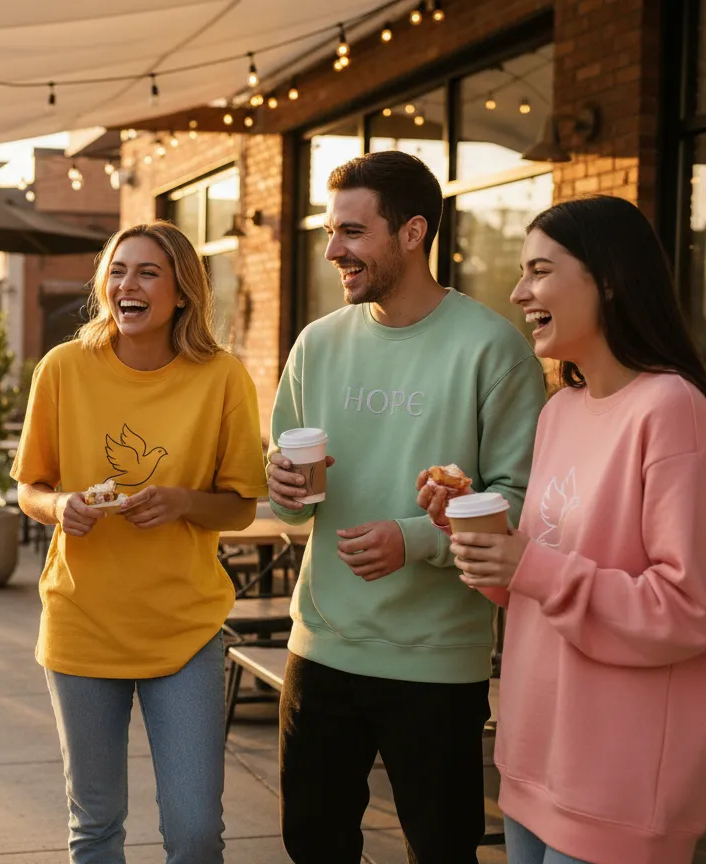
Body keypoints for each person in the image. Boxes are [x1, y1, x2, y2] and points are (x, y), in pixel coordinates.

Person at [265, 150, 547, 863]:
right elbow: (292, 509)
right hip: (321, 647)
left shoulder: (493, 348)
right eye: (332, 233)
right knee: (313, 846)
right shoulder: (316, 345)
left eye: (353, 233)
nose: (333, 251)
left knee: (442, 850)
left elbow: (520, 501)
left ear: (414, 232)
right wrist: (284, 488)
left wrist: (414, 536)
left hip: (436, 660)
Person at [448, 196, 706, 864]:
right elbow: (538, 580)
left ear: (610, 279)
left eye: (539, 270)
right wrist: (481, 538)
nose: (517, 290)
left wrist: (527, 566)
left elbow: (687, 611)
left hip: (615, 786)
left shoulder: (673, 410)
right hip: (532, 759)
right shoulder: (559, 409)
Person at [13, 221, 268, 864]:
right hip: (82, 621)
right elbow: (30, 488)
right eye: (119, 270)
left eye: (148, 272)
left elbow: (241, 507)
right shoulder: (63, 368)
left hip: (184, 627)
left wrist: (183, 502)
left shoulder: (223, 378)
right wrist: (61, 505)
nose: (128, 284)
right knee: (95, 827)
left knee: (194, 832)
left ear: (182, 291)